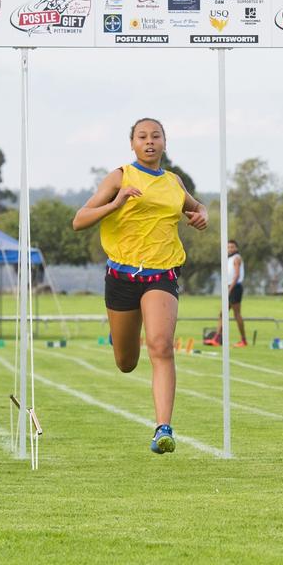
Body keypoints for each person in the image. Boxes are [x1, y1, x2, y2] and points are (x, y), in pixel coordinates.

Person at [72, 118, 208, 454]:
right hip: (121, 276)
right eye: (142, 137)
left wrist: (201, 214)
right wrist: (115, 203)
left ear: (165, 142)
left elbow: (196, 206)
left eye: (156, 136)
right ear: (132, 143)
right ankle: (130, 362)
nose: (149, 142)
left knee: (161, 347)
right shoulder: (119, 176)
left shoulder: (173, 182)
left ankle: (163, 428)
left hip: (162, 273)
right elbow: (79, 220)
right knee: (126, 361)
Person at [214, 239, 248, 347]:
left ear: (236, 248)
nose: (230, 249)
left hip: (235, 288)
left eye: (232, 247)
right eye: (228, 247)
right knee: (222, 313)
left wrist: (230, 289)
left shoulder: (236, 258)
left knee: (237, 314)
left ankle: (243, 340)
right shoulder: (228, 258)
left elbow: (237, 275)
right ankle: (217, 338)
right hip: (229, 287)